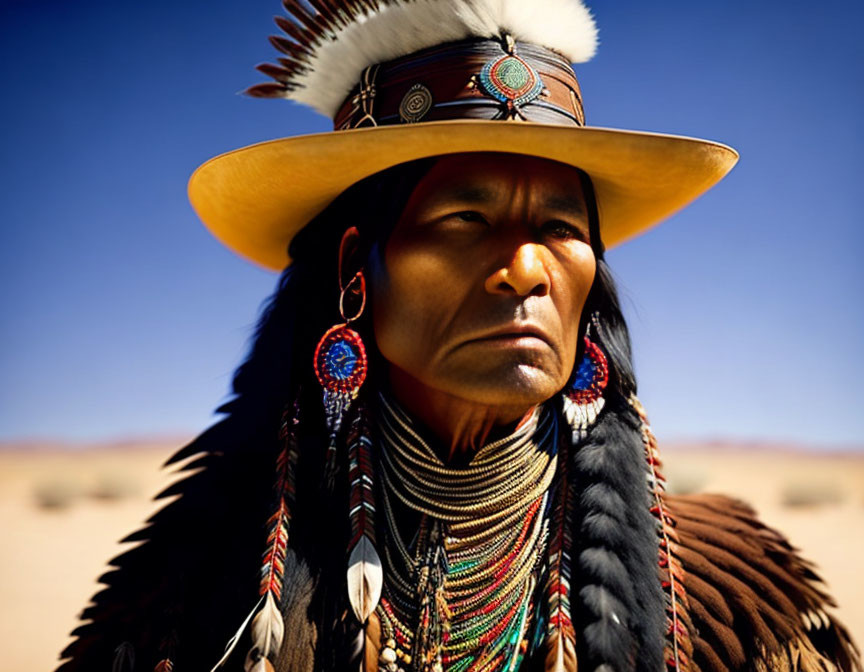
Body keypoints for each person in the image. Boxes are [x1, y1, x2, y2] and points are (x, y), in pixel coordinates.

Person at [58, 1, 860, 671]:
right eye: (464, 217)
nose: (525, 268)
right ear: (354, 267)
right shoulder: (186, 598)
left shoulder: (736, 599)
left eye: (559, 226)